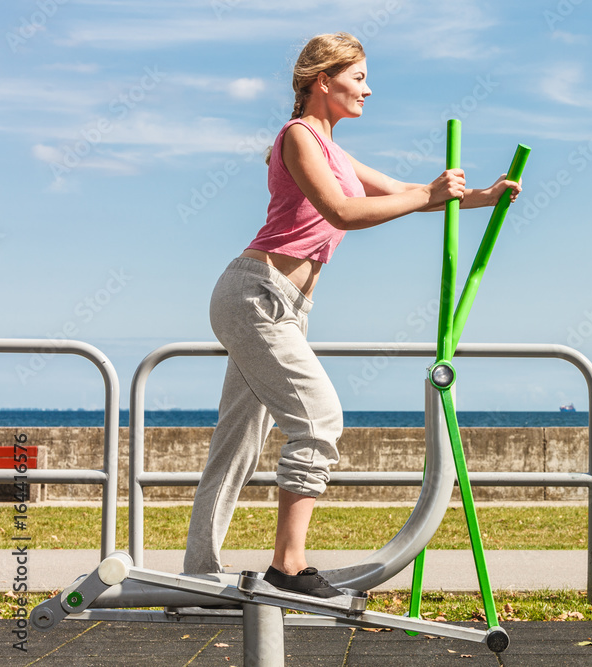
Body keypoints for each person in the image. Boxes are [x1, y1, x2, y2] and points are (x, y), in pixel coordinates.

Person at [183, 32, 522, 597]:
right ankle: (288, 568)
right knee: (318, 422)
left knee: (237, 443)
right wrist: (427, 195)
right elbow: (343, 211)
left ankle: (196, 576)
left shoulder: (333, 149)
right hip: (256, 296)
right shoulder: (298, 137)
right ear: (324, 80)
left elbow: (409, 191)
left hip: (284, 306)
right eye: (359, 77)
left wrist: (481, 196)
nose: (369, 88)